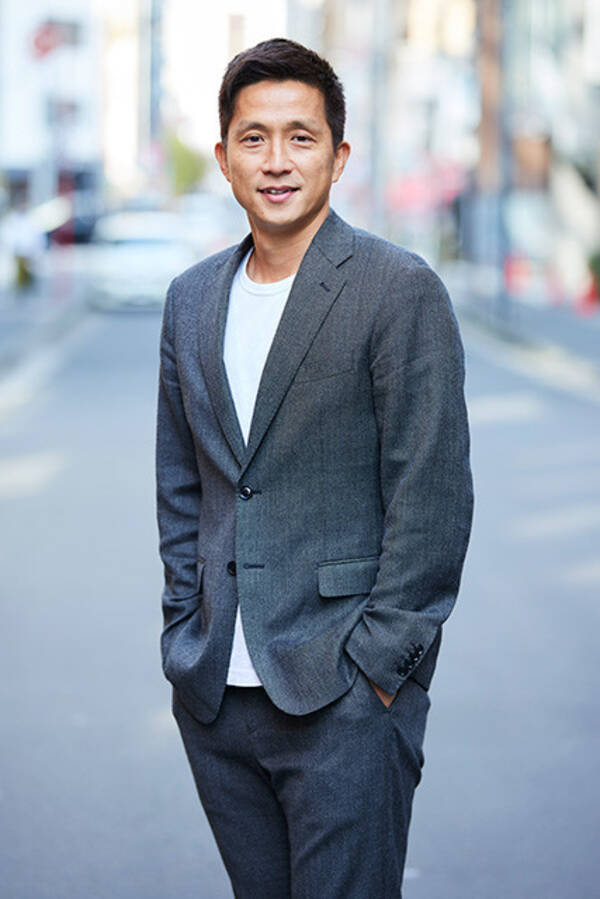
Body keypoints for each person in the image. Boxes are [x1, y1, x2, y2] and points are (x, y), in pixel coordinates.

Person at [156, 37, 473, 898]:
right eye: (254, 138)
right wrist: (184, 630)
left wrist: (379, 671)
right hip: (217, 694)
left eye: (301, 137)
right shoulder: (191, 298)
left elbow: (433, 496)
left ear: (339, 155)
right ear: (224, 157)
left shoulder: (396, 289)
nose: (277, 160)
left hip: (344, 698)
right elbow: (181, 485)